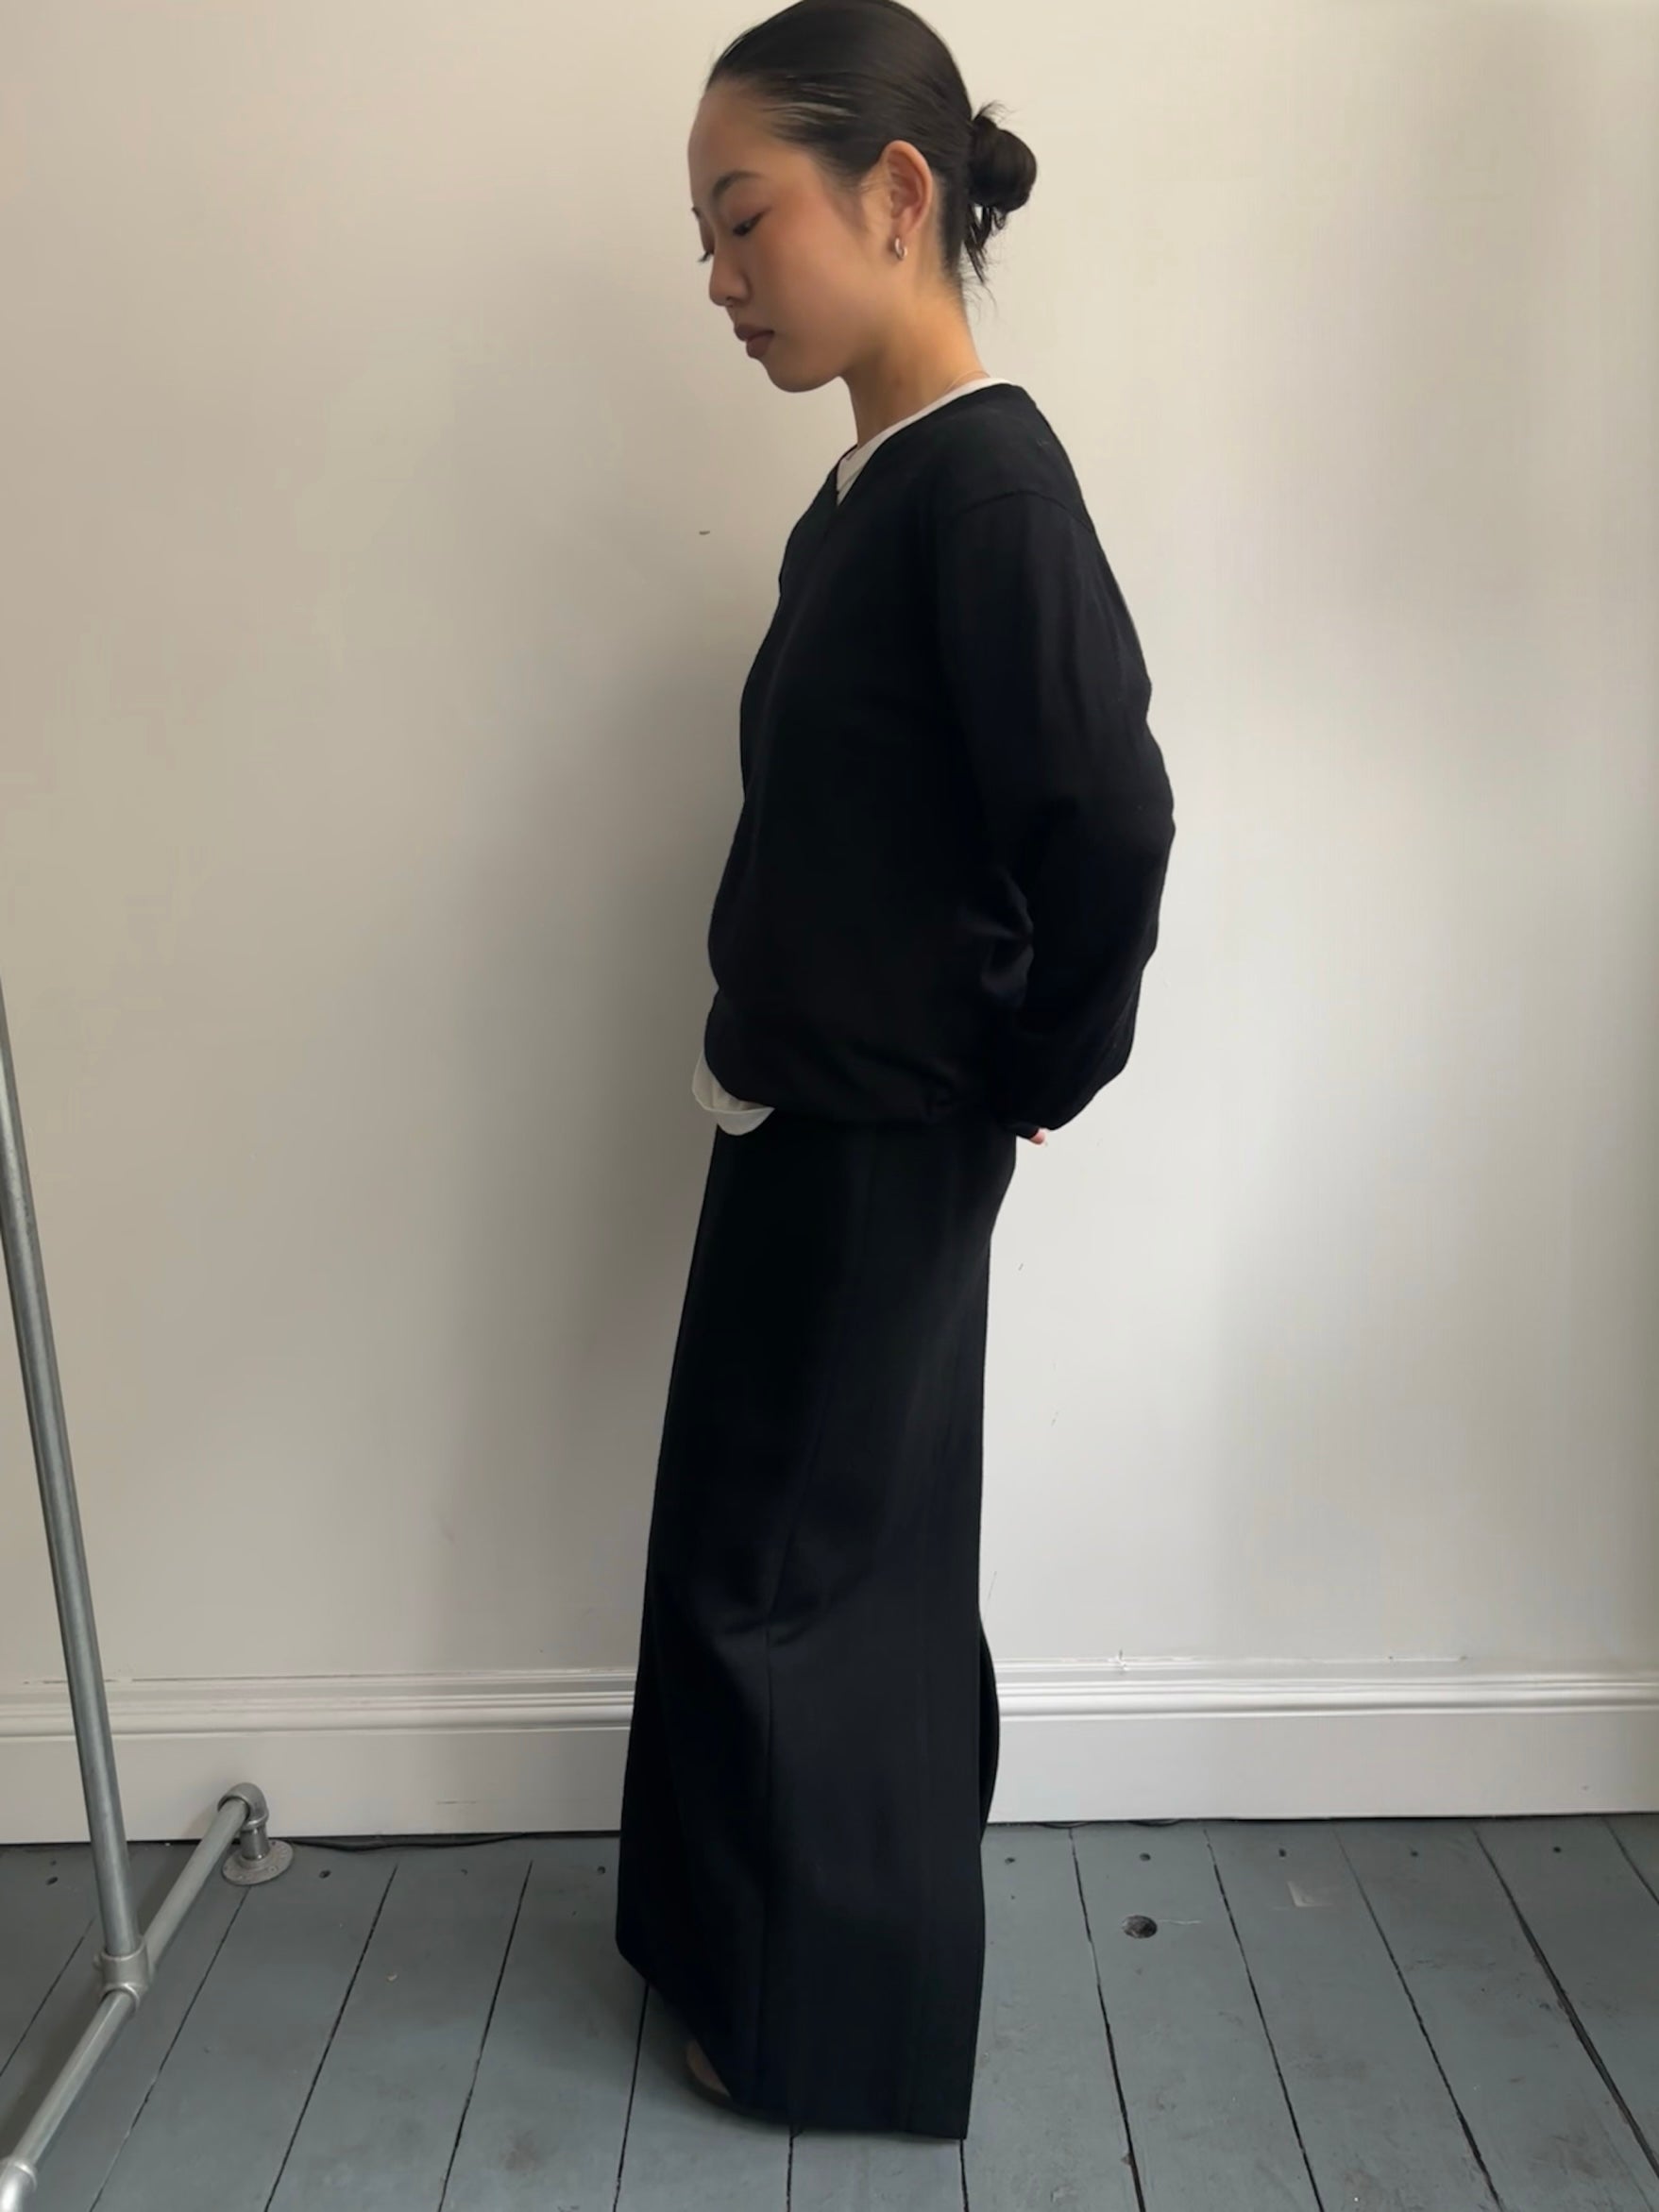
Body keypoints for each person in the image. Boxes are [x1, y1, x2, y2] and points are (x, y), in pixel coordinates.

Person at [614, 0, 1176, 2143]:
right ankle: (739, 1957)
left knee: (804, 1581)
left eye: (742, 217)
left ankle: (825, 2030)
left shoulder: (988, 491)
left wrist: (1036, 1067)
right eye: (703, 239)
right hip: (806, 1111)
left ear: (897, 193)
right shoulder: (874, 490)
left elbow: (1105, 814)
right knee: (775, 1552)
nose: (721, 276)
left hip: (880, 1132)